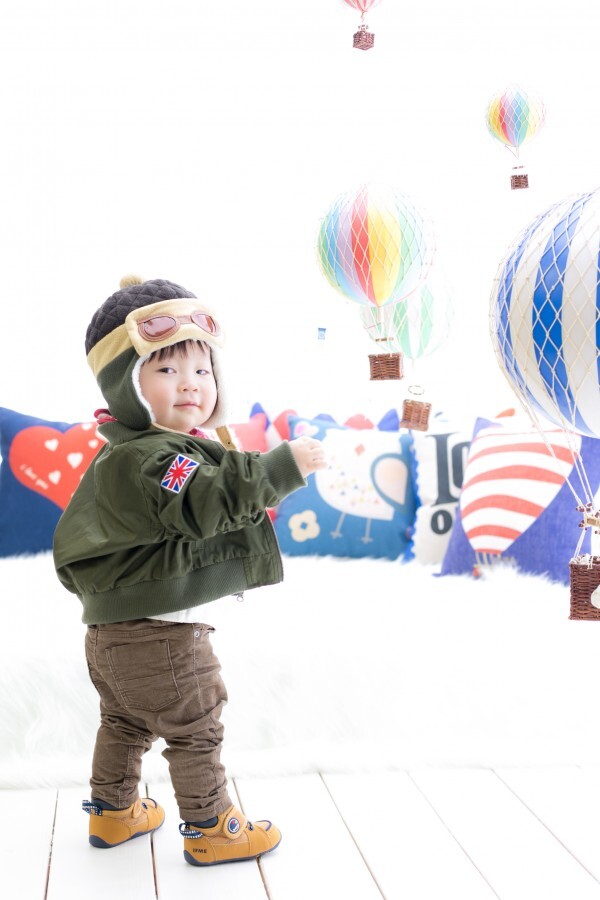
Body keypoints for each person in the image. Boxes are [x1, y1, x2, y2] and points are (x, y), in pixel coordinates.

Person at [53, 275, 326, 866]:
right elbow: (205, 501)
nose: (190, 385)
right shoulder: (155, 460)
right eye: (167, 370)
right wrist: (283, 466)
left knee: (124, 722)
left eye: (202, 371)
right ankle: (210, 828)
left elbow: (213, 480)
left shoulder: (143, 450)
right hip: (163, 638)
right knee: (196, 727)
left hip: (113, 635)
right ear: (127, 384)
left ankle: (114, 811)